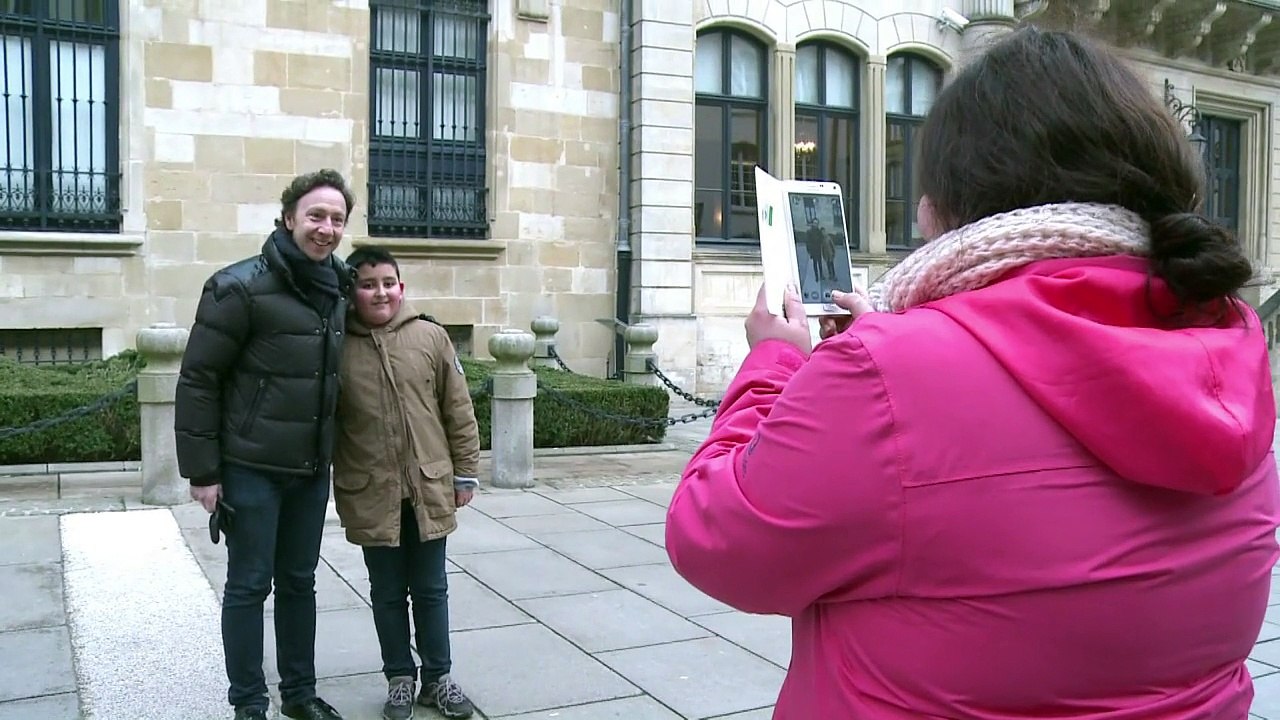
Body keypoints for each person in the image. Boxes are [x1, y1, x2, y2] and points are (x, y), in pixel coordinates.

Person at [665, 27, 1279, 720]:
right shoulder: (1226, 349)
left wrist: (776, 363)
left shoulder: (886, 374)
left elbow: (718, 540)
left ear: (943, 212)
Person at [175, 169, 356, 720]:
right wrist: (204, 473)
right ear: (288, 219)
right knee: (249, 584)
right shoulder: (238, 286)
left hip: (309, 468)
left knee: (300, 582)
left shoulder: (340, 286)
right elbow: (199, 380)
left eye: (336, 219)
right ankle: (249, 703)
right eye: (315, 216)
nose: (325, 228)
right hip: (250, 465)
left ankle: (299, 695)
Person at [332, 245, 480, 720]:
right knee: (387, 592)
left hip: (428, 487)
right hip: (371, 490)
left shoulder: (431, 337)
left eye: (388, 283)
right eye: (368, 284)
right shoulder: (336, 345)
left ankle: (438, 677)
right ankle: (399, 675)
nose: (380, 292)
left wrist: (465, 472)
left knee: (431, 588)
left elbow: (458, 410)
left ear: (402, 287)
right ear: (352, 291)